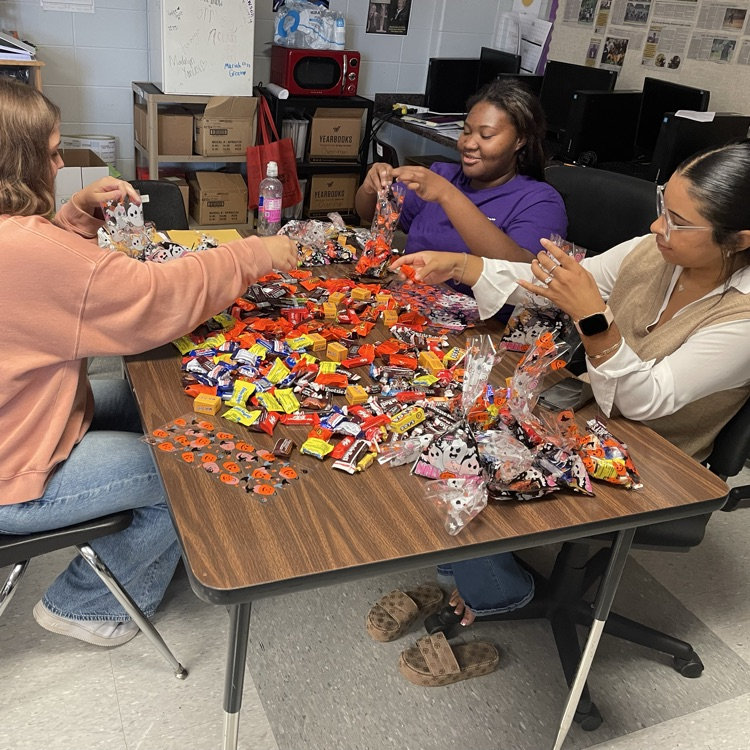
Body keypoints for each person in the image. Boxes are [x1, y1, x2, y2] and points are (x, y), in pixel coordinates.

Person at [392, 140, 750, 627]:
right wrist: (461, 264)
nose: (656, 228)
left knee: (472, 461)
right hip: (589, 409)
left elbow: (646, 402)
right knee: (442, 421)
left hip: (654, 452)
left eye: (679, 222)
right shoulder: (653, 251)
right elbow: (551, 283)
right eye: (664, 207)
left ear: (739, 239)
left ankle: (502, 593)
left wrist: (592, 316)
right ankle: (469, 563)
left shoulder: (743, 319)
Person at [0, 79, 297, 647]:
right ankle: (81, 604)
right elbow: (149, 299)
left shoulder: (17, 238)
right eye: (53, 151)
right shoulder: (27, 250)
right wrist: (251, 253)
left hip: (25, 421)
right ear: (17, 160)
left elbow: (40, 286)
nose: (60, 163)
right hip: (13, 472)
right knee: (188, 472)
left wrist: (72, 222)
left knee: (149, 403)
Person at [354, 78, 567, 303]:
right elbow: (370, 214)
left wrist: (448, 196)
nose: (469, 144)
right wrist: (371, 187)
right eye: (465, 131)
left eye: (486, 136)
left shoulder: (540, 201)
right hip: (412, 308)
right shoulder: (442, 175)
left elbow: (521, 274)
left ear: (519, 141)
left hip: (482, 328)